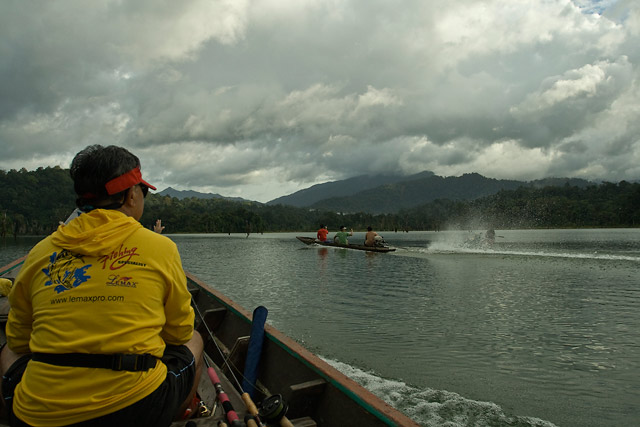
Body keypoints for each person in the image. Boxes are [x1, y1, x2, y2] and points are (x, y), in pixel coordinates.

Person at [0, 145, 203, 427]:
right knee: (194, 340)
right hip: (138, 408)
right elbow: (179, 332)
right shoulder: (161, 248)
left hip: (38, 414)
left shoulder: (40, 252)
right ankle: (180, 412)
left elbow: (19, 340)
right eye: (142, 191)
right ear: (131, 195)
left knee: (8, 352)